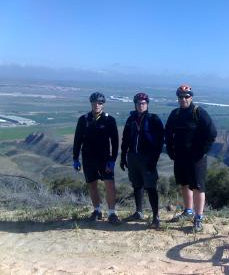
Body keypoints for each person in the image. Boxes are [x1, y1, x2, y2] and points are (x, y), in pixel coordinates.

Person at [165, 84, 217, 232]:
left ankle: (198, 218)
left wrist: (202, 151)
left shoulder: (198, 112)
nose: (183, 99)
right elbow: (168, 133)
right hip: (180, 156)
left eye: (186, 96)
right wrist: (170, 149)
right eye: (180, 97)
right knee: (184, 183)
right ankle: (188, 211)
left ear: (191, 97)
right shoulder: (175, 114)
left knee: (198, 187)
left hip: (196, 158)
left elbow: (212, 133)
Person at [73, 92, 120, 225]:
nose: (97, 105)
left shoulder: (109, 120)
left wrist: (113, 159)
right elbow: (77, 140)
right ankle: (97, 210)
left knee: (110, 185)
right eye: (94, 102)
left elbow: (115, 142)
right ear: (91, 104)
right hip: (88, 158)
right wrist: (75, 158)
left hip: (105, 158)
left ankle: (112, 213)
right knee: (92, 185)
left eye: (99, 103)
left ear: (103, 104)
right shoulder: (83, 119)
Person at [120, 93, 164, 228]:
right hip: (133, 156)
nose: (141, 105)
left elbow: (160, 141)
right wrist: (123, 156)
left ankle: (156, 216)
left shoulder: (154, 119)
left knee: (151, 187)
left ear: (147, 104)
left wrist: (154, 160)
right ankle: (139, 212)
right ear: (135, 104)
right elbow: (125, 139)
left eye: (143, 103)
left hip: (148, 157)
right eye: (139, 103)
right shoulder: (130, 120)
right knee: (136, 185)